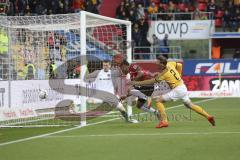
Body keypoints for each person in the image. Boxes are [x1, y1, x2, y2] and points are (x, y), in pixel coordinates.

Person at [130, 56, 215, 128]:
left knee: (159, 101)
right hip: (182, 86)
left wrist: (136, 82)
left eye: (158, 63)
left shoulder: (163, 74)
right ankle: (208, 116)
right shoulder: (170, 64)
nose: (156, 64)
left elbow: (151, 81)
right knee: (189, 105)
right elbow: (180, 65)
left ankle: (164, 121)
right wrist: (179, 75)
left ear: (162, 64)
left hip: (177, 89)